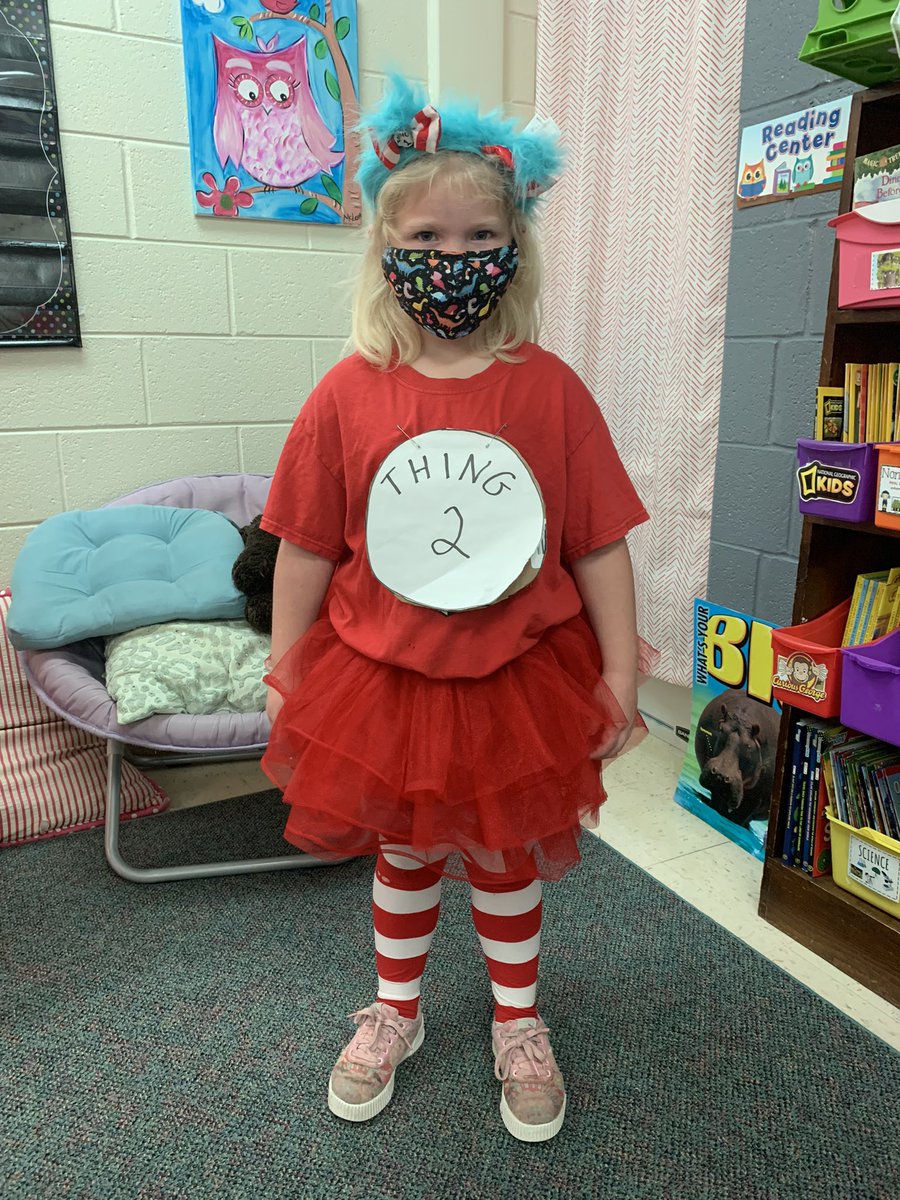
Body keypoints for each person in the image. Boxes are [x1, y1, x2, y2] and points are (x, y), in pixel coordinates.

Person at [259, 77, 654, 1143]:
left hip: (515, 676)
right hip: (384, 676)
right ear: (384, 248)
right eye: (426, 236)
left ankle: (517, 1021)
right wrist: (286, 668)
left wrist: (620, 672)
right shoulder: (347, 392)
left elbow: (598, 541)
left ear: (515, 247)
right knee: (405, 850)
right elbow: (305, 543)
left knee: (504, 852)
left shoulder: (550, 388)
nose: (453, 256)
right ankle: (397, 1007)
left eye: (480, 235)